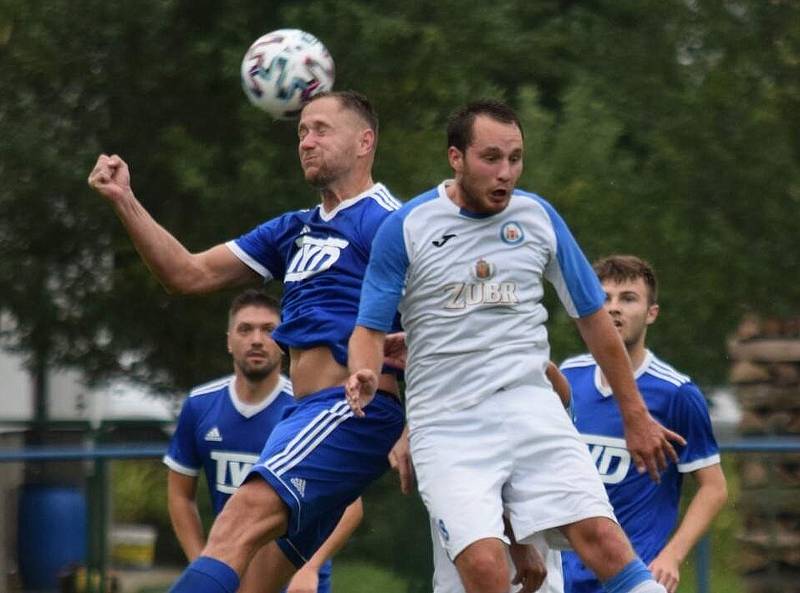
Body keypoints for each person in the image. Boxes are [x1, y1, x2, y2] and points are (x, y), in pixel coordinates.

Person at [346, 99, 685, 593]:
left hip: (530, 405)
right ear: (455, 158)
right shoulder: (407, 226)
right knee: (485, 569)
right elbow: (369, 328)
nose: (505, 173)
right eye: (491, 158)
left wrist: (634, 414)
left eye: (516, 158)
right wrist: (365, 372)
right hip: (447, 422)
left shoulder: (538, 219)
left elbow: (594, 322)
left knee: (605, 541)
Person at [88, 90, 406, 593]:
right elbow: (186, 274)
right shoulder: (293, 230)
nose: (306, 141)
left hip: (349, 411)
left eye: (321, 129)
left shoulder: (392, 221)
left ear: (365, 141)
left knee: (232, 528)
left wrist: (417, 423)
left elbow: (436, 322)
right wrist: (124, 199)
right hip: (307, 414)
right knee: (249, 584)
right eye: (301, 131)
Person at [164, 289, 364, 593]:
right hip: (233, 576)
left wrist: (309, 569)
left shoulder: (309, 410)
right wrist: (204, 567)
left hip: (297, 580)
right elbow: (180, 496)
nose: (256, 339)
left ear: (285, 341)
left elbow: (351, 507)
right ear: (229, 340)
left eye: (269, 330)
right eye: (245, 329)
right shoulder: (199, 406)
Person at [560, 255, 728, 593]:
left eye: (628, 298)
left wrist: (672, 556)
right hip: (564, 575)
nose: (614, 308)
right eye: (604, 298)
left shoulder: (676, 394)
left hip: (634, 574)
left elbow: (714, 487)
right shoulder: (569, 377)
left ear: (652, 313)